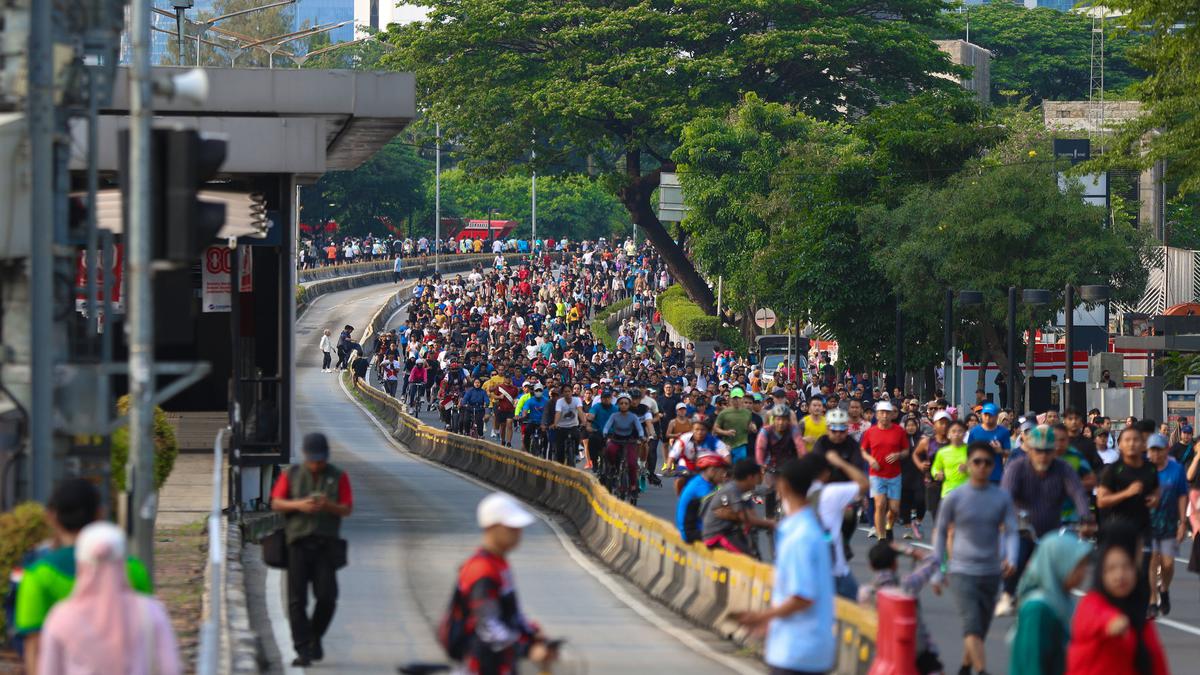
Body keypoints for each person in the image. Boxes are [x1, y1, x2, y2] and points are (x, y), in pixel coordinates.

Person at [15, 479, 153, 675]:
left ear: (51, 517)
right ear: (99, 514)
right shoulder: (133, 570)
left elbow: (35, 650)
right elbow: (146, 639)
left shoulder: (38, 576)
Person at [734, 457, 836, 675]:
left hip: (796, 650)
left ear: (784, 486)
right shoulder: (806, 528)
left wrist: (762, 617)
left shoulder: (799, 535)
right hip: (805, 647)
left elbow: (802, 596)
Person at [37, 522, 181, 675]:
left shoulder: (61, 617)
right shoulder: (150, 611)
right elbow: (170, 668)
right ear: (123, 563)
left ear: (80, 564)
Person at [444, 493, 556, 674]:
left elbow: (512, 614)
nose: (518, 533)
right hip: (480, 665)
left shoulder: (500, 565)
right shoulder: (482, 569)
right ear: (492, 527)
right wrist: (527, 649)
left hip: (501, 663)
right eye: (511, 528)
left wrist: (532, 633)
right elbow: (488, 626)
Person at [932, 441, 1019, 675]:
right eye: (977, 462)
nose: (982, 466)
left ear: (993, 466)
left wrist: (1012, 557)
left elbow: (1012, 531)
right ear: (968, 464)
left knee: (980, 628)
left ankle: (965, 667)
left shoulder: (1001, 497)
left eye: (987, 462)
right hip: (962, 571)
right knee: (971, 624)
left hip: (991, 571)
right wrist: (938, 570)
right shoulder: (954, 497)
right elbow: (940, 532)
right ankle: (982, 670)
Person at [270, 432, 354, 666]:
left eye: (321, 460)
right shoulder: (292, 474)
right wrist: (299, 505)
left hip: (326, 545)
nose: (317, 465)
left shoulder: (338, 476)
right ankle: (302, 648)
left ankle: (315, 636)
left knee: (327, 597)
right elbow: (276, 502)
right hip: (298, 543)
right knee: (296, 601)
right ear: (305, 457)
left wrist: (328, 506)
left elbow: (347, 508)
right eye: (313, 460)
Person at [1065, 523, 1169, 675]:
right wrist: (1111, 622)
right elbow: (1095, 617)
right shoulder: (1091, 603)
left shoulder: (1138, 614)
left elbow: (1157, 662)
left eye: (1127, 567)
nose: (1120, 575)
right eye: (1111, 569)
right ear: (1101, 572)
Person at [1007, 532, 1092, 675]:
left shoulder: (1061, 599)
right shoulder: (1037, 609)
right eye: (1077, 566)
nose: (1083, 573)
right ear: (1059, 564)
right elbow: (1032, 666)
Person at [1096, 427, 1161, 615]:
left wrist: (1155, 499)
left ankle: (1143, 609)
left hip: (1143, 526)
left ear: (1143, 445)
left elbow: (1156, 490)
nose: (1132, 443)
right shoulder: (1113, 470)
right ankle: (1116, 607)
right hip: (1119, 528)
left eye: (1136, 440)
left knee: (1144, 568)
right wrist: (1127, 493)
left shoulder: (1150, 468)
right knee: (1121, 570)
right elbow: (1101, 501)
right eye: (1127, 440)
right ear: (1120, 445)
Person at [857, 542, 942, 675]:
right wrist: (907, 550)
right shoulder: (907, 585)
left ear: (871, 566)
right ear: (895, 564)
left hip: (881, 653)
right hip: (917, 652)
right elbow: (933, 561)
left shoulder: (866, 593)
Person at [1147, 433, 1189, 617]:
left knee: (1168, 563)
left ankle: (1164, 589)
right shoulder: (1144, 469)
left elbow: (1182, 495)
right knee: (1152, 560)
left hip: (1169, 523)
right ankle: (1152, 600)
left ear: (1166, 450)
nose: (1156, 454)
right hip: (1147, 523)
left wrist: (1183, 522)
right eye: (1152, 450)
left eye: (1159, 449)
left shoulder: (1176, 469)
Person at [700, 459, 776, 556]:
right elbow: (745, 517)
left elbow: (751, 516)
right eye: (758, 477)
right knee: (746, 556)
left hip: (731, 532)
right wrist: (771, 523)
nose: (759, 482)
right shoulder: (733, 490)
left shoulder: (745, 491)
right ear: (750, 477)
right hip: (717, 535)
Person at [861, 401, 909, 541]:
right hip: (876, 474)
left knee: (894, 509)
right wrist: (870, 460)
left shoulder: (899, 431)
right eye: (881, 413)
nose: (884, 415)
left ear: (892, 415)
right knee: (880, 504)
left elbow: (906, 450)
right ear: (877, 415)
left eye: (887, 413)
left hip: (894, 475)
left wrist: (898, 455)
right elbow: (863, 450)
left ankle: (888, 527)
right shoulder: (870, 432)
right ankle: (881, 537)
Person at [675, 454, 730, 543]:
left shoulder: (700, 481)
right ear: (712, 471)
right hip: (692, 532)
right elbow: (716, 511)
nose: (723, 476)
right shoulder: (703, 488)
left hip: (692, 528)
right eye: (722, 472)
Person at [966, 402, 1011, 483]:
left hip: (996, 476)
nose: (987, 417)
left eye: (990, 415)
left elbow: (1008, 453)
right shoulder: (974, 431)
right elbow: (968, 452)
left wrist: (1000, 451)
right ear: (982, 415)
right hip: (977, 476)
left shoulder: (1004, 432)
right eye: (985, 415)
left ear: (996, 416)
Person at [713, 387, 756, 462]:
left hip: (741, 446)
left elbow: (749, 426)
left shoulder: (747, 413)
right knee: (727, 467)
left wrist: (752, 428)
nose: (737, 400)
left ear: (742, 399)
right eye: (734, 398)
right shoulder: (724, 413)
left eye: (739, 398)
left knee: (739, 467)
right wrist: (726, 432)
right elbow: (715, 428)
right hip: (727, 446)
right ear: (730, 399)